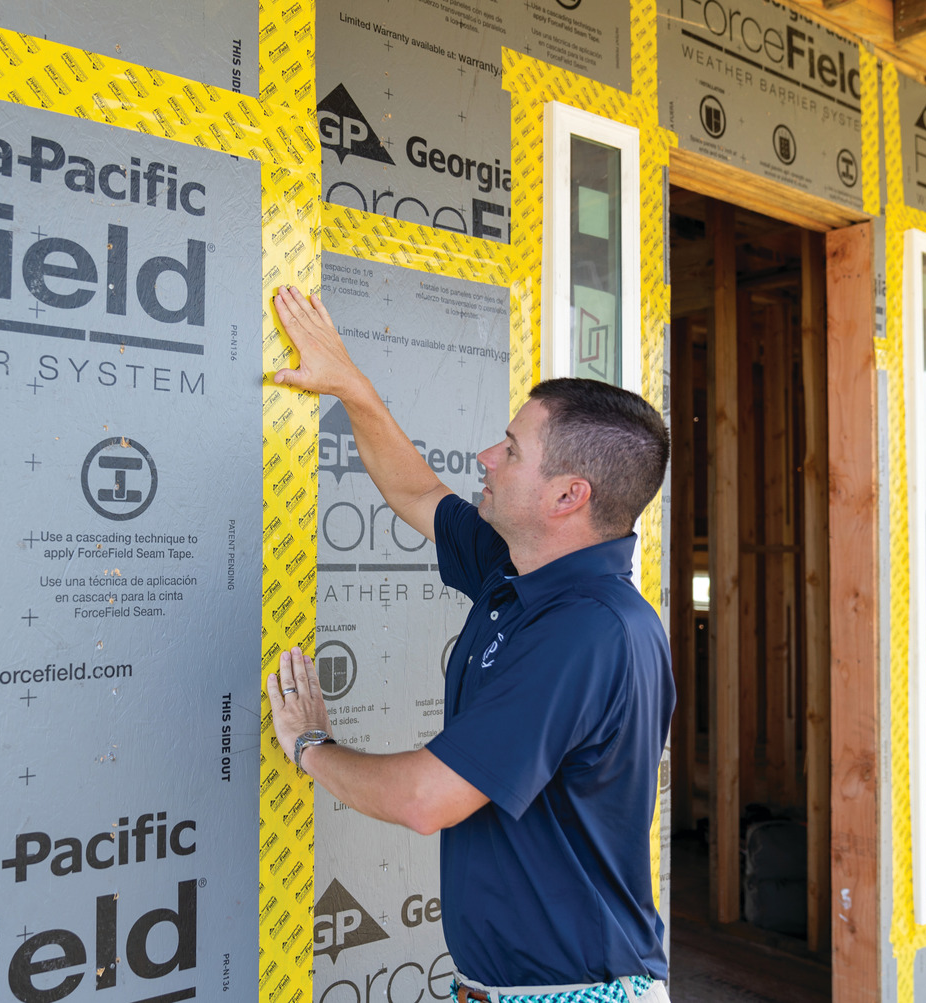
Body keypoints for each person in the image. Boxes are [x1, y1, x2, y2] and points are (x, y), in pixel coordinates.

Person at [265, 286, 674, 1003]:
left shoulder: (586, 631)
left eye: (512, 449)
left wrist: (309, 746)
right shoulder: (519, 568)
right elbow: (416, 491)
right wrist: (350, 385)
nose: (486, 455)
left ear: (567, 496)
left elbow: (427, 798)